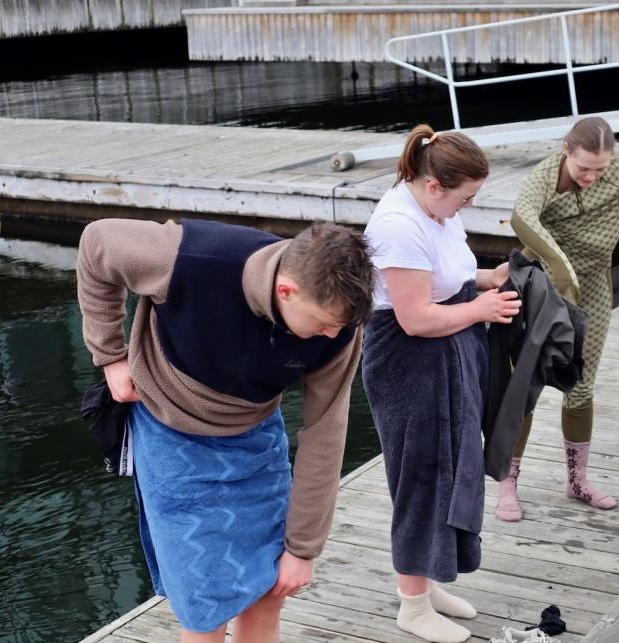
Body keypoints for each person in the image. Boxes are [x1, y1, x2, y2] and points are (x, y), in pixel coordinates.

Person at [76, 218, 375, 643]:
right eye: (325, 323)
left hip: (254, 437)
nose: (332, 334)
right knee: (206, 606)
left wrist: (303, 549)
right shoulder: (189, 256)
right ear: (286, 290)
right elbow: (96, 244)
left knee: (269, 591)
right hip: (172, 436)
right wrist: (109, 356)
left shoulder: (342, 324)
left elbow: (326, 431)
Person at [361, 125, 521, 643]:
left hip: (448, 348)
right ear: (434, 186)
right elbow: (414, 318)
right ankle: (412, 605)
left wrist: (489, 279)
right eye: (465, 198)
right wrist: (481, 309)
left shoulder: (437, 209)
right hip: (408, 361)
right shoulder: (398, 225)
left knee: (451, 465)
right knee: (422, 475)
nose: (467, 207)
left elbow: (449, 276)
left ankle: (426, 583)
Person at [494, 116, 619, 522]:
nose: (591, 178)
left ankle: (578, 480)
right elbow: (522, 216)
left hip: (594, 285)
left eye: (600, 169)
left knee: (581, 383)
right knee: (525, 379)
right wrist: (560, 268)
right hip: (543, 283)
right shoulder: (546, 175)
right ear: (565, 151)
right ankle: (508, 483)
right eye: (583, 168)